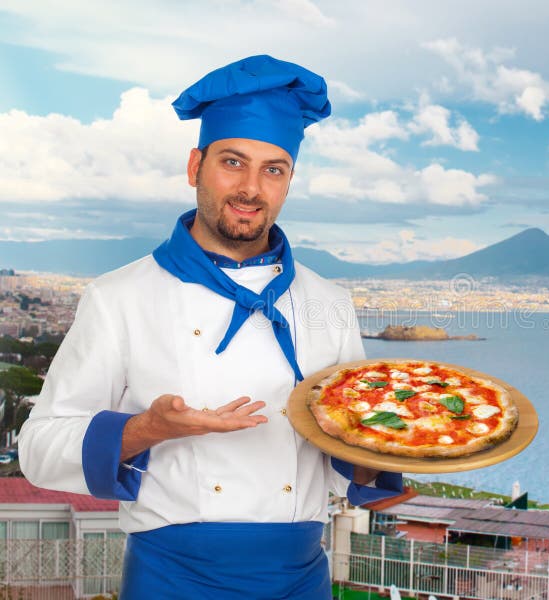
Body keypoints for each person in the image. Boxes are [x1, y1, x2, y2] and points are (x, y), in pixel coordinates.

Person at [18, 55, 402, 599]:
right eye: (232, 162)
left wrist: (388, 457)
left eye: (273, 169)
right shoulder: (119, 297)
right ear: (195, 165)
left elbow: (352, 453)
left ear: (289, 182)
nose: (251, 188)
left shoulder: (330, 303)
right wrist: (149, 429)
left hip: (300, 579)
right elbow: (38, 448)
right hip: (172, 579)